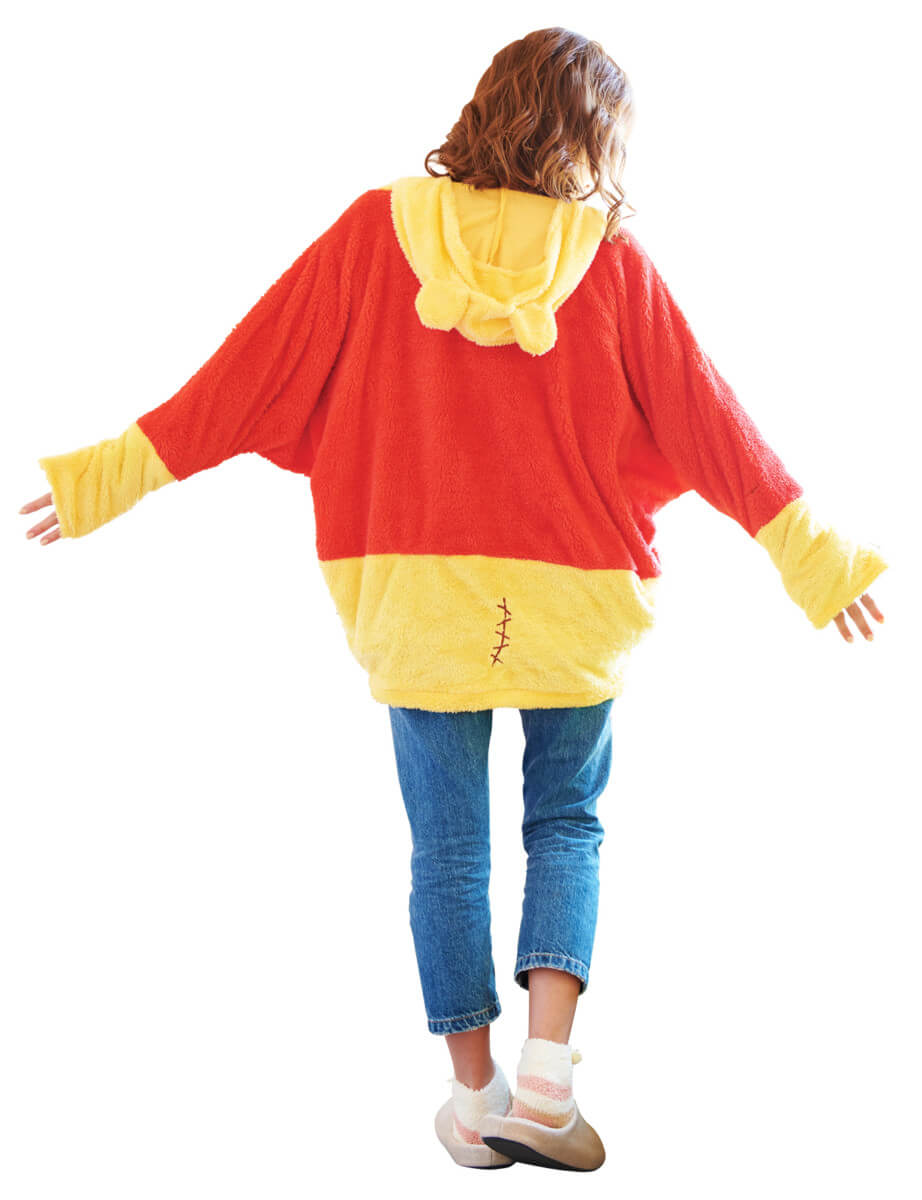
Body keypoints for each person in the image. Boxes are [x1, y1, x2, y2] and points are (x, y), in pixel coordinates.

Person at [20, 27, 888, 1173]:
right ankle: (548, 1080)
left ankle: (476, 1102)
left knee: (447, 852)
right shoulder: (610, 262)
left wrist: (108, 478)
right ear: (592, 138)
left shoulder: (373, 232)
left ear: (491, 105)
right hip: (574, 598)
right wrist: (816, 558)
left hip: (415, 595)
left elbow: (250, 370)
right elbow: (709, 418)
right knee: (565, 825)